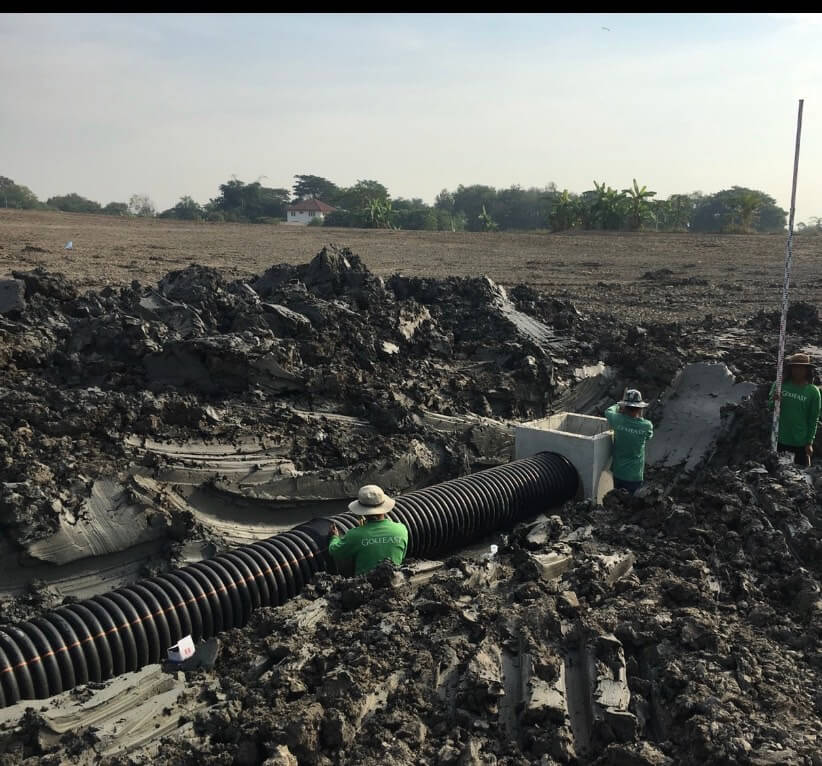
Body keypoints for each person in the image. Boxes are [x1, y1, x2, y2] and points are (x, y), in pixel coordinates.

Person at [328, 485, 408, 575]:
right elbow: (402, 556)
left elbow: (335, 552)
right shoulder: (401, 529)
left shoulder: (355, 535)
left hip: (366, 586)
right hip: (395, 580)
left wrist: (334, 537)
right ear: (384, 508)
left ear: (362, 512)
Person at [768, 352, 820, 467]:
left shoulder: (813, 392)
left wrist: (809, 442)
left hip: (800, 442)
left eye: (801, 368)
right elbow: (770, 407)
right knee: (780, 473)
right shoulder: (779, 385)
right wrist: (775, 400)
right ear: (790, 369)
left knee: (800, 476)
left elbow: (813, 418)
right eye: (795, 367)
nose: (798, 371)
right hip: (779, 439)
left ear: (807, 370)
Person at [604, 389, 654, 494]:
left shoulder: (617, 419)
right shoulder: (646, 425)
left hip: (618, 472)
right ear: (640, 408)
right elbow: (648, 436)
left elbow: (608, 411)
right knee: (630, 504)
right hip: (634, 475)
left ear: (625, 407)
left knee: (617, 500)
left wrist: (618, 406)